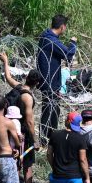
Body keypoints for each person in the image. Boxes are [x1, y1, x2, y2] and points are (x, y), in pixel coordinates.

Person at [0, 51, 42, 183]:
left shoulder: (18, 87)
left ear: (26, 77)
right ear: (37, 83)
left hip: (10, 129)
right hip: (22, 133)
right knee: (25, 162)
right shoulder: (27, 97)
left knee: (16, 159)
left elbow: (8, 77)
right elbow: (30, 121)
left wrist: (5, 61)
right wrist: (35, 139)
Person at [36, 14, 77, 143]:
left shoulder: (45, 36)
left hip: (47, 79)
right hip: (50, 82)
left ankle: (48, 137)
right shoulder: (52, 41)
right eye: (65, 27)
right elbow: (68, 54)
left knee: (51, 109)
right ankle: (47, 139)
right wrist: (73, 43)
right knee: (50, 111)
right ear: (62, 27)